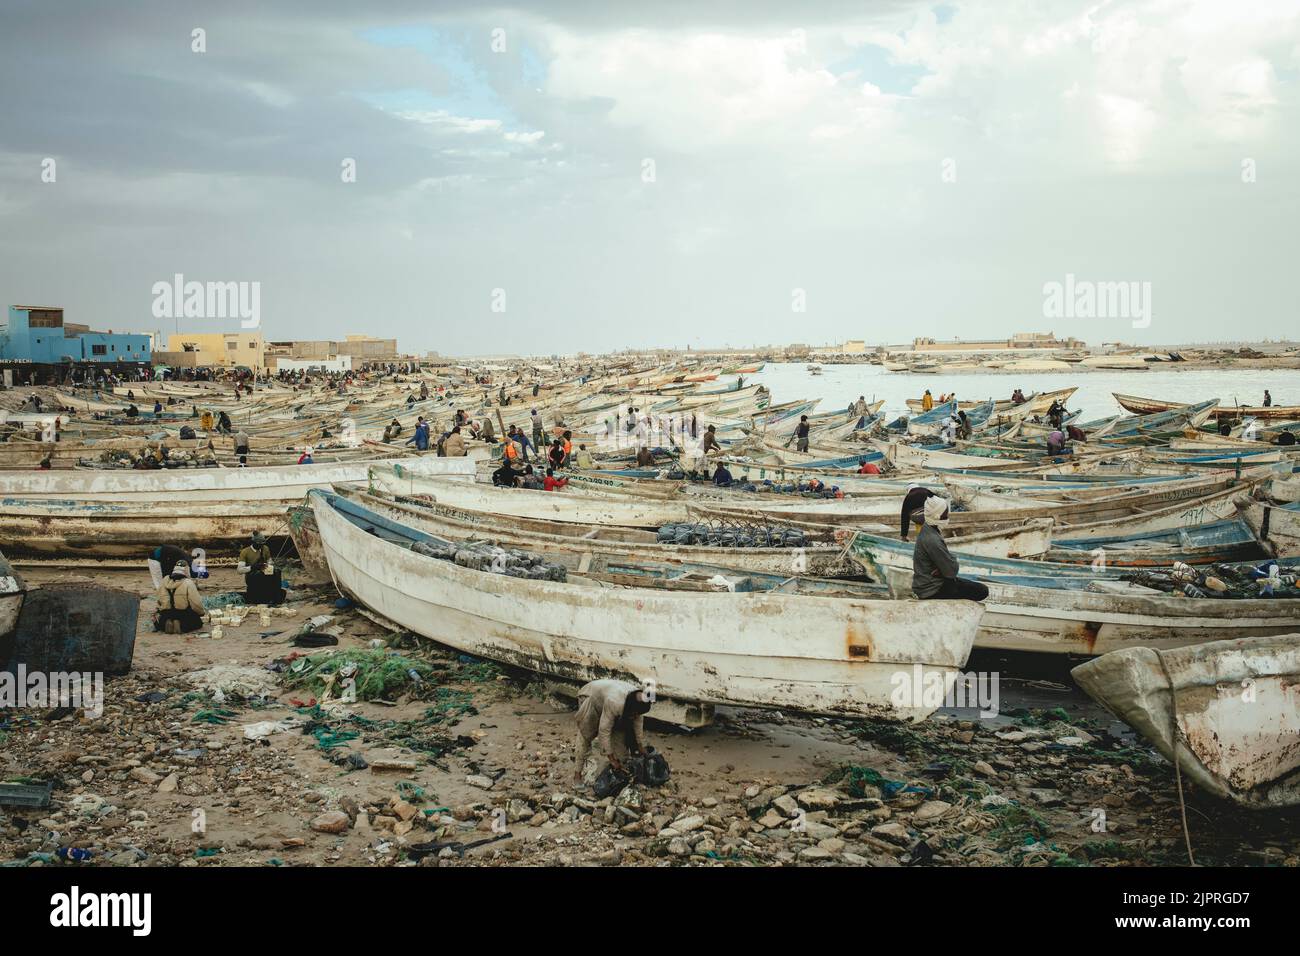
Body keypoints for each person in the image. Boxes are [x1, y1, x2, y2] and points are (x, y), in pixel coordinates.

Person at [573, 678, 653, 785]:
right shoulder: (615, 702)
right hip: (592, 699)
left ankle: (618, 773)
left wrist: (640, 746)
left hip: (611, 701)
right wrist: (611, 759)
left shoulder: (639, 702)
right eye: (634, 714)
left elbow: (638, 724)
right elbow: (604, 730)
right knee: (585, 736)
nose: (635, 716)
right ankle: (577, 775)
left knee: (621, 750)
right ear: (631, 709)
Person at [912, 497, 988, 601]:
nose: (947, 516)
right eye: (945, 513)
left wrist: (942, 568)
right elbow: (951, 571)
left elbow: (946, 569)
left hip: (927, 583)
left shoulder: (927, 527)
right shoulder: (933, 539)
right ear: (937, 515)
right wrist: (950, 561)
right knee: (982, 591)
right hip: (932, 589)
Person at [155, 562, 206, 634]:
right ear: (186, 570)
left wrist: (158, 612)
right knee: (198, 622)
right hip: (182, 613)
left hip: (167, 613)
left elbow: (159, 600)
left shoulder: (163, 581)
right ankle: (180, 625)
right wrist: (201, 612)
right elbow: (196, 603)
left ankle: (165, 623)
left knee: (161, 621)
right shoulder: (188, 582)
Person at [239, 532, 286, 606]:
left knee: (277, 572)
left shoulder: (265, 549)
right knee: (258, 575)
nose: (261, 546)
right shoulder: (245, 552)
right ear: (253, 542)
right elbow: (240, 570)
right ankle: (260, 597)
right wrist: (254, 567)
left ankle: (276, 598)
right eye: (259, 544)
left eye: (262, 544)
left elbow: (269, 561)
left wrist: (270, 565)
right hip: (252, 575)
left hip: (264, 571)